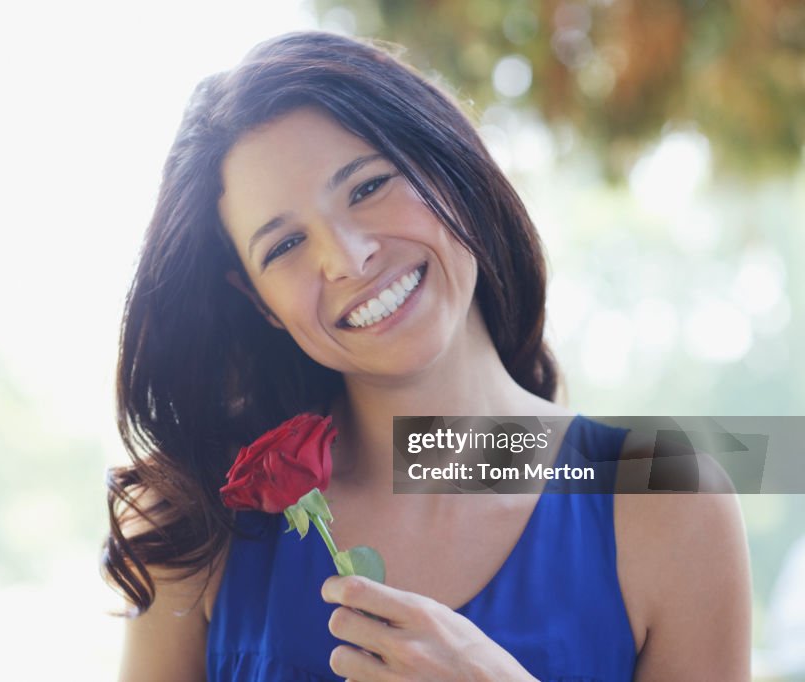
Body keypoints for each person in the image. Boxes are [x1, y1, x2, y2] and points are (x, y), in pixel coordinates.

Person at [102, 31, 751, 681]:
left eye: (366, 188)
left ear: (449, 166)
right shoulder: (191, 526)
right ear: (260, 300)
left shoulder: (668, 502)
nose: (347, 258)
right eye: (285, 245)